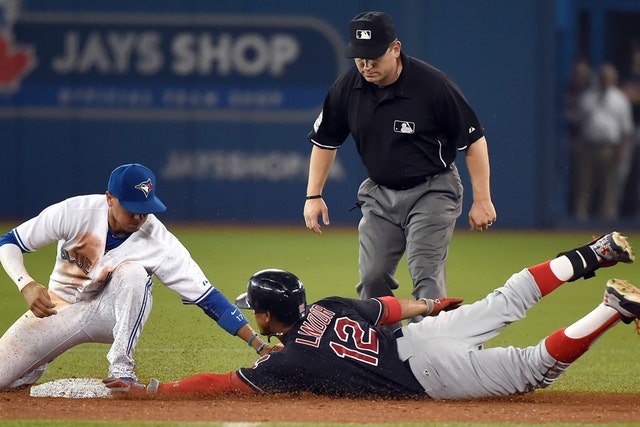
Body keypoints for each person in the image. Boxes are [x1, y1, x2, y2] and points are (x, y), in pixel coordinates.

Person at [125, 231, 637, 400]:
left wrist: (161, 392)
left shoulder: (287, 365)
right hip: (418, 335)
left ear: (263, 317)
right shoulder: (326, 306)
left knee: (531, 370)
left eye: (252, 309)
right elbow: (388, 308)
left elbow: (222, 383)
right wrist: (434, 306)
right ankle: (592, 253)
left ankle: (611, 309)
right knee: (507, 300)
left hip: (427, 374)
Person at [0, 163, 277, 392]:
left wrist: (258, 344)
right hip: (56, 308)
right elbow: (10, 241)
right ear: (110, 198)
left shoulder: (159, 241)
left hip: (110, 315)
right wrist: (26, 284)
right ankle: (28, 370)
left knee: (134, 273)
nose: (138, 215)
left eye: (145, 207)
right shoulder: (76, 212)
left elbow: (209, 299)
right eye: (131, 206)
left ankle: (122, 370)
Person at [303, 11, 497, 312]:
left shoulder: (432, 86)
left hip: (432, 189)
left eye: (374, 57)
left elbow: (474, 141)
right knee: (372, 276)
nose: (366, 64)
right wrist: (313, 195)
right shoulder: (347, 88)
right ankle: (386, 348)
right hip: (379, 194)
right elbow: (325, 141)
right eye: (359, 57)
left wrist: (482, 199)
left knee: (425, 272)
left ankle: (434, 349)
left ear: (395, 49)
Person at [574, 63, 634, 221]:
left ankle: (608, 219)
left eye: (608, 78)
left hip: (610, 147)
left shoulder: (620, 99)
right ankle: (580, 219)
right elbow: (580, 122)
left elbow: (626, 129)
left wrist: (622, 150)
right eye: (603, 77)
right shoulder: (588, 96)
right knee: (585, 183)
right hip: (589, 145)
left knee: (609, 186)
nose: (605, 80)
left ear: (614, 79)